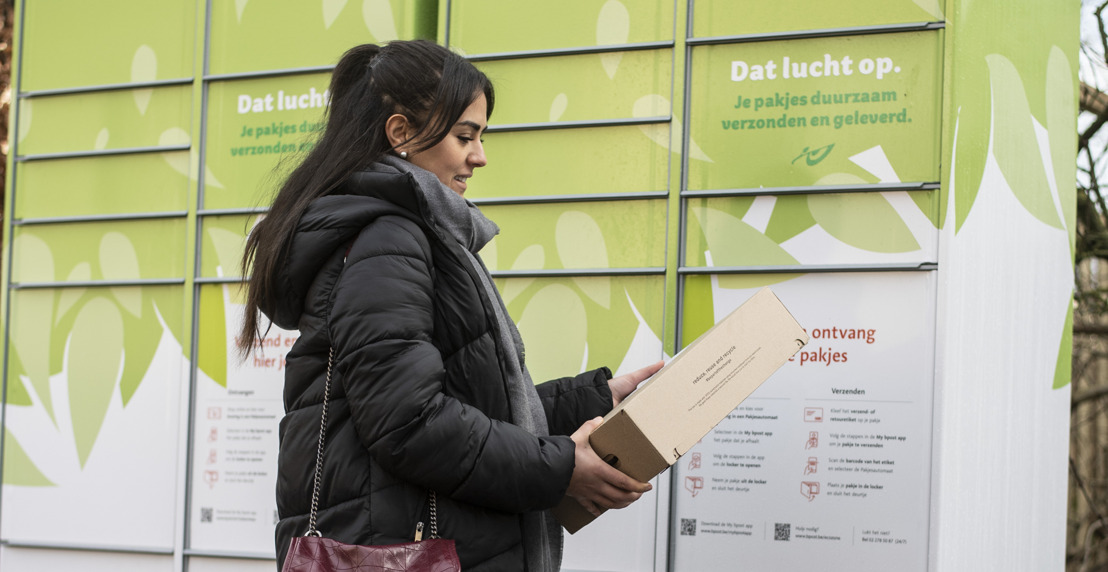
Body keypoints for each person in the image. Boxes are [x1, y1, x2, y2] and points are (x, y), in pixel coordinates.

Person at [238, 40, 663, 572]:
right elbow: (410, 423)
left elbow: (457, 402)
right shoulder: (385, 240)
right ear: (401, 134)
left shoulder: (405, 234)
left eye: (480, 136)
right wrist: (560, 469)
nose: (479, 156)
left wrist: (591, 400)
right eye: (465, 136)